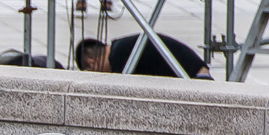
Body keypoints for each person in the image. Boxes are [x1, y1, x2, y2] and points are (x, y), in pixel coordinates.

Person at [76, 32, 211, 79]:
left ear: (91, 63)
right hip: (195, 71)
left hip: (194, 77)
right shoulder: (120, 47)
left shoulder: (118, 57)